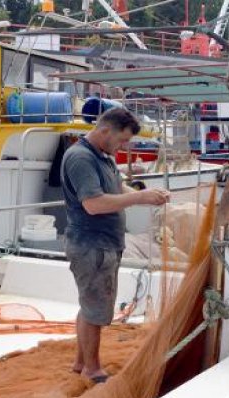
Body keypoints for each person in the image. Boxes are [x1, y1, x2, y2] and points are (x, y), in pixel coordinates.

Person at [61, 108, 169, 383]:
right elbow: (94, 204)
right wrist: (140, 197)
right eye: (121, 141)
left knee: (91, 305)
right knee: (96, 310)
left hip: (104, 243)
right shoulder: (81, 158)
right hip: (91, 245)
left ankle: (80, 362)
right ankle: (93, 369)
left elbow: (118, 189)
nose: (123, 147)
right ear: (105, 130)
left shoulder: (103, 157)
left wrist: (149, 197)